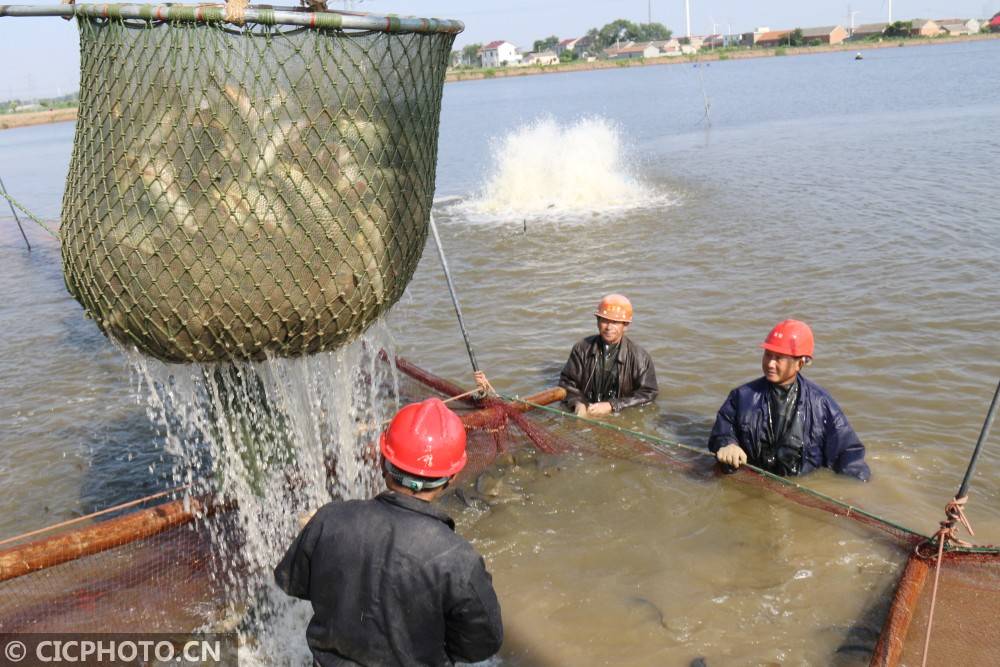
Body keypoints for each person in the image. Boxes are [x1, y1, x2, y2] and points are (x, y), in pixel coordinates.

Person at [274, 398, 504, 666]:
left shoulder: (329, 520)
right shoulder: (458, 559)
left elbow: (291, 583)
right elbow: (482, 643)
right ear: (451, 476)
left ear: (383, 462)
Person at [708, 319, 870, 481]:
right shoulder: (742, 396)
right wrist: (728, 445)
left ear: (799, 364)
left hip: (796, 487)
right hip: (751, 483)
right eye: (767, 355)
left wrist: (855, 487)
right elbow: (722, 433)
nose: (770, 363)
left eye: (779, 358)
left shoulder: (822, 405)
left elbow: (849, 454)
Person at [559, 294, 658, 417]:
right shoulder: (581, 349)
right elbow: (567, 383)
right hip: (587, 409)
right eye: (604, 320)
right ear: (597, 322)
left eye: (615, 322)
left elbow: (648, 393)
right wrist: (578, 404)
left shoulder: (640, 357)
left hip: (618, 415)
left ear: (625, 325)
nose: (609, 327)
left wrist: (612, 405)